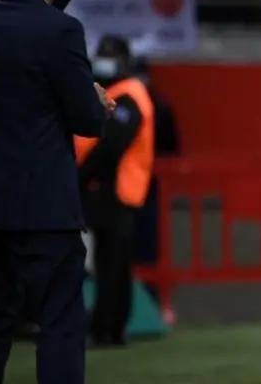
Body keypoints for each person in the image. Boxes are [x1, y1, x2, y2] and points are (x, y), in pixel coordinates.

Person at [0, 0, 111, 384]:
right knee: (60, 326)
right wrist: (97, 101)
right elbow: (86, 120)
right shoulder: (61, 31)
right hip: (45, 212)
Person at [74, 35, 155, 347]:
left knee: (110, 262)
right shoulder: (120, 93)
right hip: (116, 189)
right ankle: (111, 327)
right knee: (113, 261)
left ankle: (107, 327)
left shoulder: (129, 96)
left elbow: (112, 146)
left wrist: (81, 176)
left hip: (115, 189)